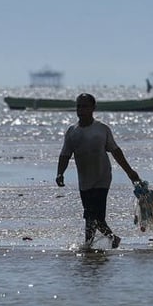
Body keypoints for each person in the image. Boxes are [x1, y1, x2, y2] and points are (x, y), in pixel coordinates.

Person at [56, 93, 141, 248]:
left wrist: (130, 172)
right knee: (92, 216)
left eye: (85, 106)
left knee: (92, 214)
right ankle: (112, 239)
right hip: (84, 179)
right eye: (79, 106)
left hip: (102, 176)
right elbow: (65, 155)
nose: (81, 110)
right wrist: (60, 173)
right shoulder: (72, 132)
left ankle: (88, 246)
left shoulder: (102, 129)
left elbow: (116, 151)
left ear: (93, 108)